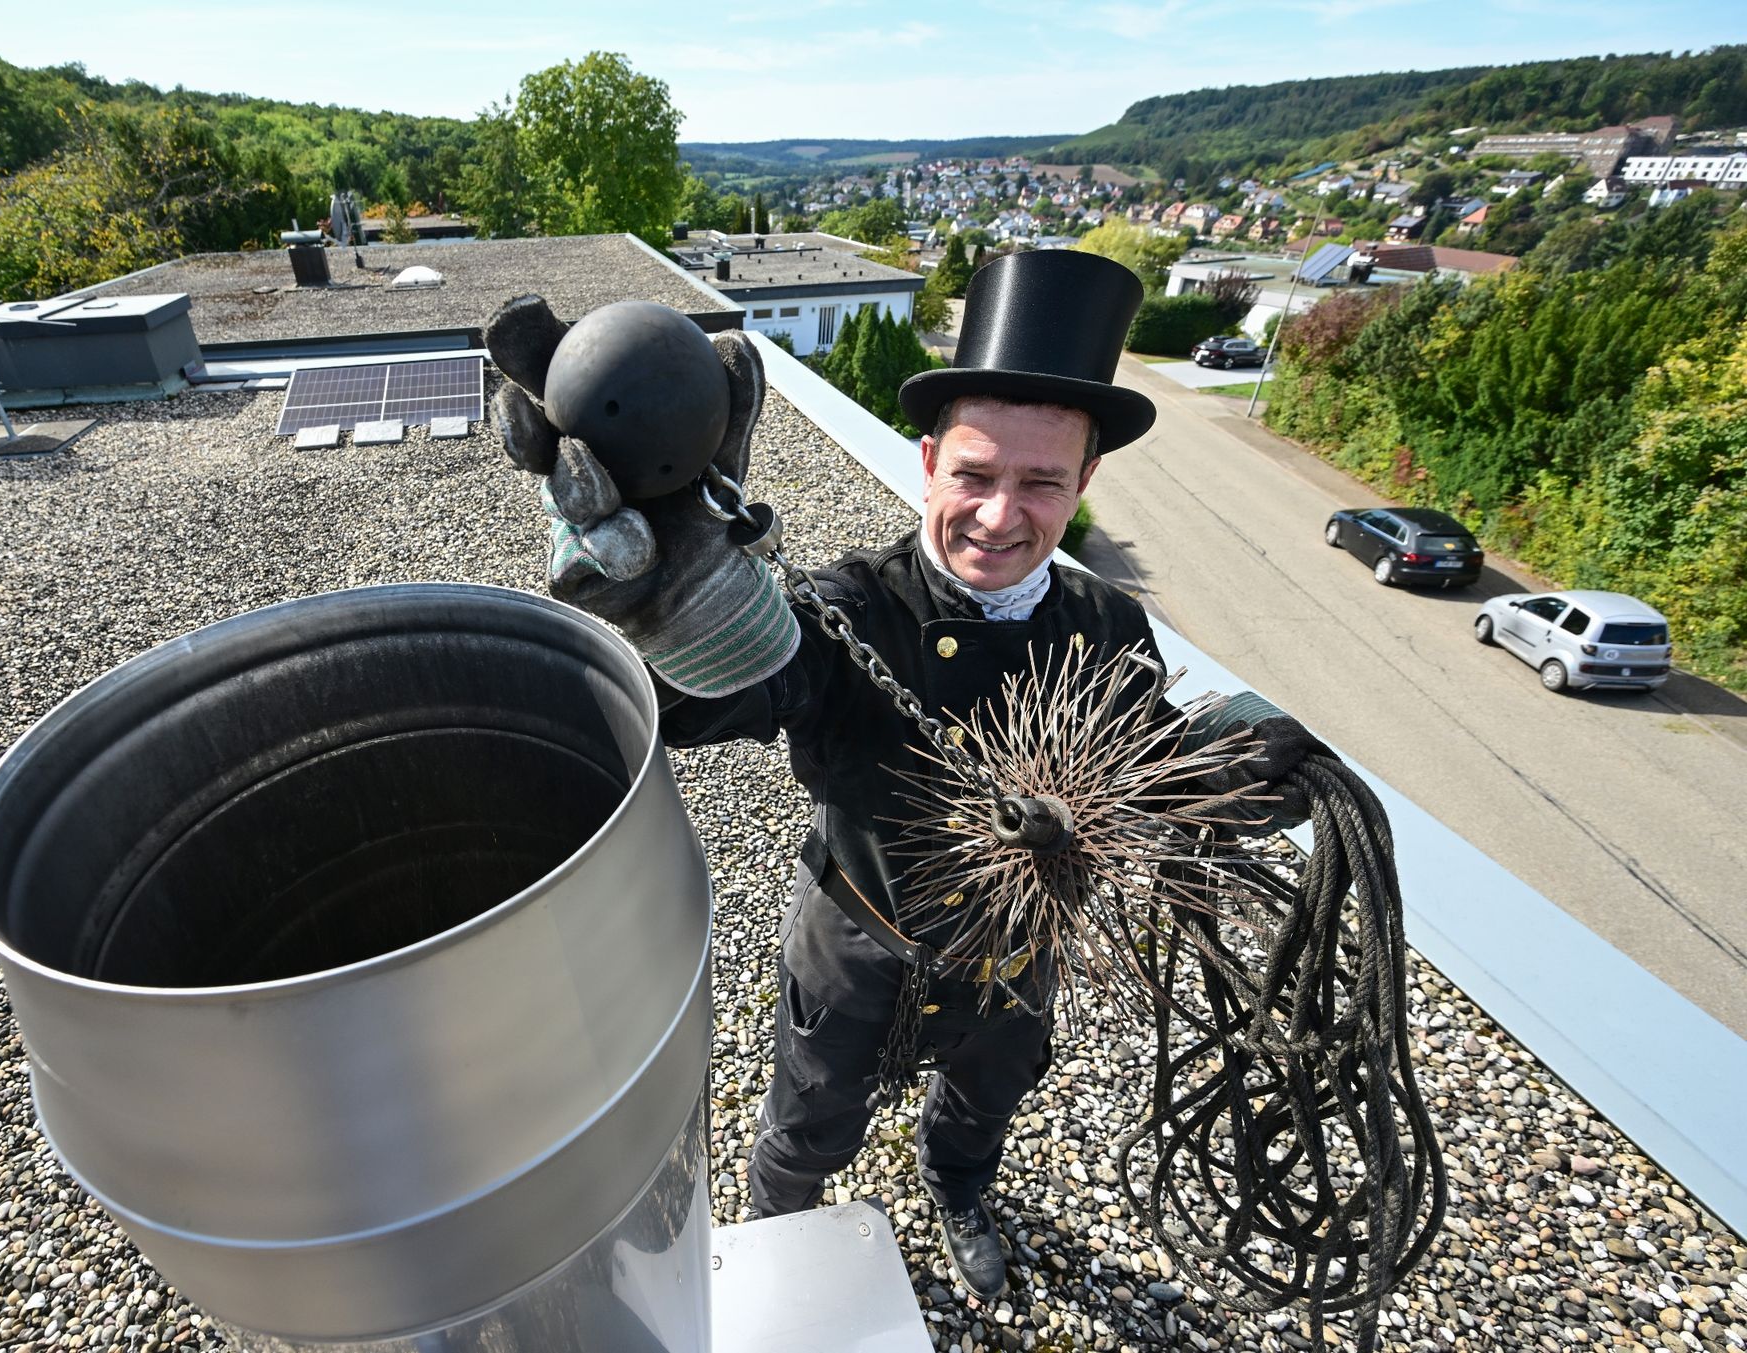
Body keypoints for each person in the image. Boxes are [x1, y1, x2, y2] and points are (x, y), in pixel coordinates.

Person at [485, 249, 1329, 1300]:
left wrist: (1230, 777)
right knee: (809, 1118)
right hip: (858, 949)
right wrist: (667, 617)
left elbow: (1142, 760)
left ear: (1084, 483)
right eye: (973, 476)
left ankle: (957, 1189)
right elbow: (705, 703)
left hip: (1021, 955)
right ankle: (772, 1235)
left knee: (987, 1101)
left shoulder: (1107, 624)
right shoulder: (847, 611)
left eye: (1039, 483)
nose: (997, 516)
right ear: (928, 462)